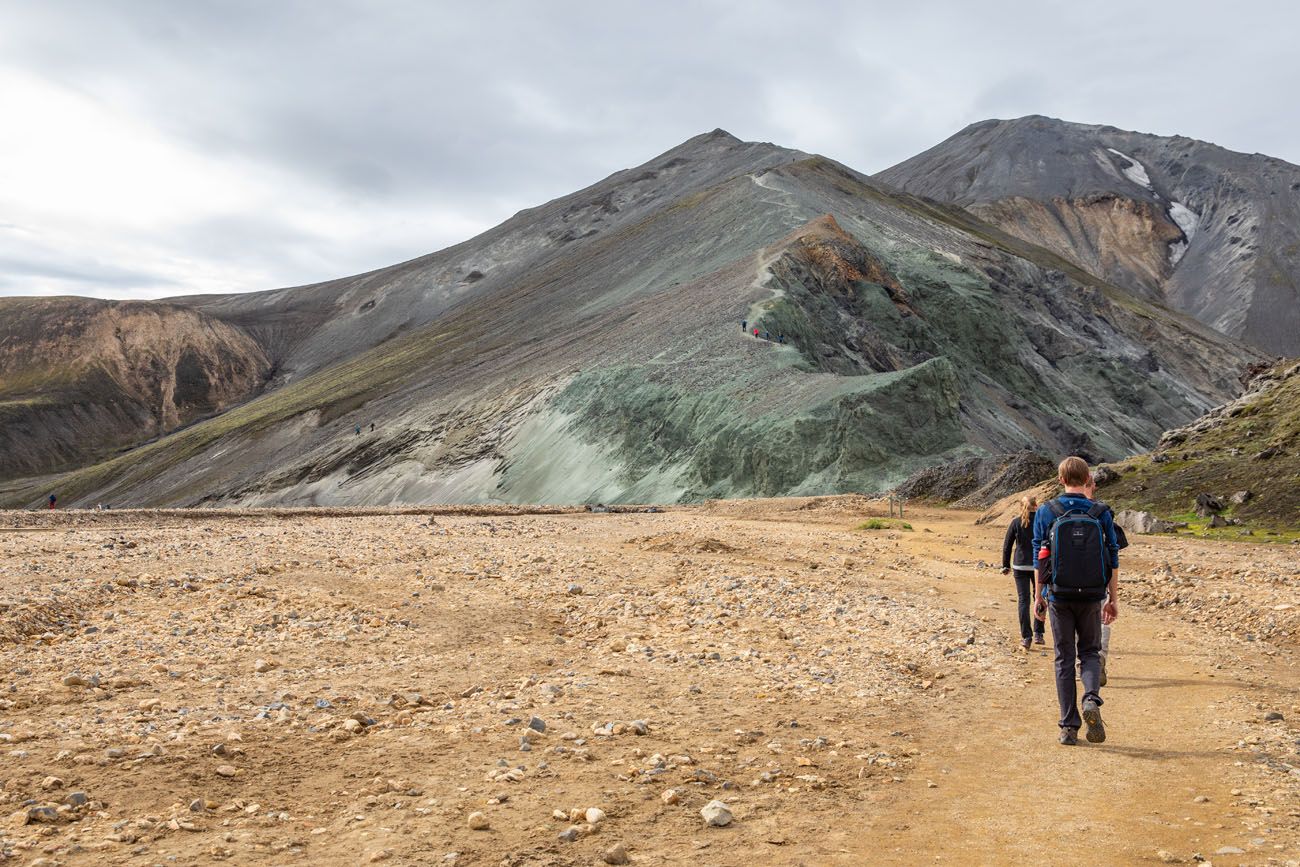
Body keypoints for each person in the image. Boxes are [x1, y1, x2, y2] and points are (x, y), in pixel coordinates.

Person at [1032, 456, 1119, 745]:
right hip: (1093, 594)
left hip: (1059, 595)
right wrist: (1112, 598)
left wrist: (1038, 597)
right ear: (1087, 481)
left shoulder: (1047, 511)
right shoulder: (1101, 511)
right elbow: (1113, 558)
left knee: (1064, 658)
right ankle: (1091, 698)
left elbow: (1039, 557)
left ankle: (1069, 727)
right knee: (1090, 653)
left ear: (1060, 480)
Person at [1001, 495, 1045, 650]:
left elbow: (1007, 545)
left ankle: (1026, 637)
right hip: (1038, 565)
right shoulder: (1041, 521)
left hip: (1020, 566)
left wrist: (1005, 565)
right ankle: (1039, 633)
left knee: (1023, 601)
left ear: (1021, 507)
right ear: (1036, 505)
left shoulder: (1015, 522)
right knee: (1040, 597)